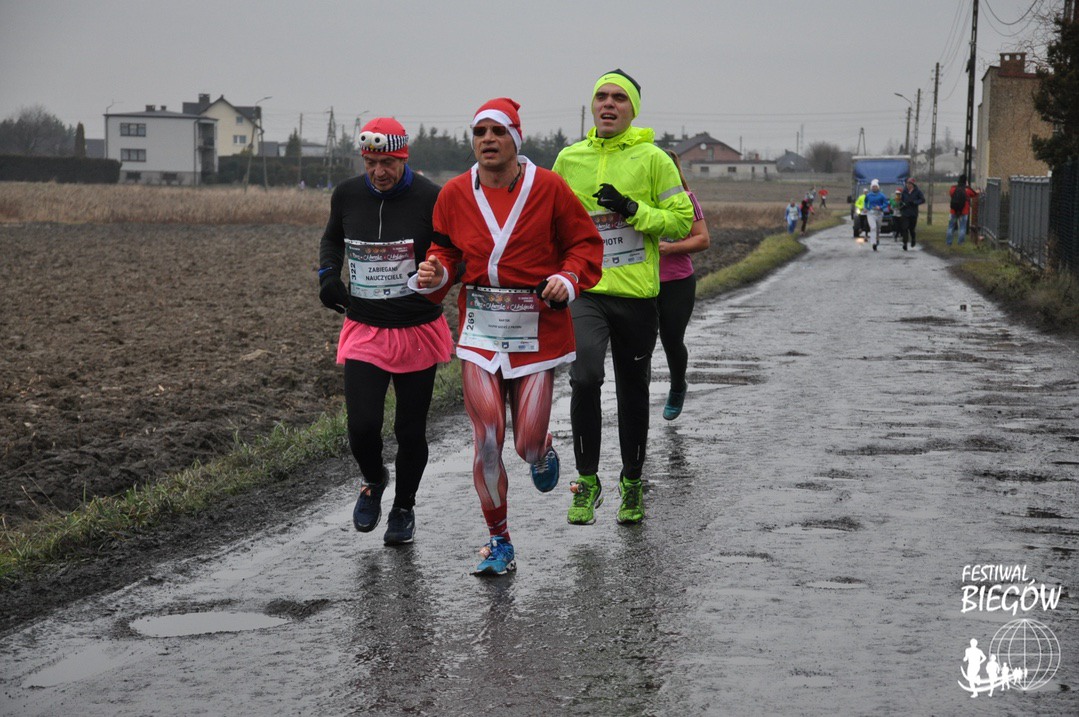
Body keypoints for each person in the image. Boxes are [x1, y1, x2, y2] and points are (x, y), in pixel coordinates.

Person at [413, 98, 603, 575]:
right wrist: (435, 273)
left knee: (526, 444)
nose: (488, 140)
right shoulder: (455, 193)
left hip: (537, 332)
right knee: (487, 439)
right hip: (480, 332)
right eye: (480, 132)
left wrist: (568, 278)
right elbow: (445, 252)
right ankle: (499, 541)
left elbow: (584, 244)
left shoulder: (550, 187)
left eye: (498, 132)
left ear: (516, 139)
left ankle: (542, 449)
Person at [553, 68, 694, 526]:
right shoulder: (569, 158)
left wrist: (633, 209)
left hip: (635, 296)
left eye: (619, 98)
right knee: (585, 376)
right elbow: (546, 219)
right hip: (586, 291)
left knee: (633, 390)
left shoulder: (654, 159)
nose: (609, 104)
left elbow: (680, 222)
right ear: (593, 106)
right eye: (602, 97)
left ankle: (631, 481)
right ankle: (586, 482)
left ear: (633, 109)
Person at [317, 117, 454, 545]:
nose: (379, 172)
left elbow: (453, 252)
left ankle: (404, 507)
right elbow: (332, 239)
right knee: (362, 426)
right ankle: (374, 479)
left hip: (416, 328)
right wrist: (328, 275)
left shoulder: (432, 197)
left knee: (410, 431)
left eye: (388, 163)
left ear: (404, 158)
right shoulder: (347, 194)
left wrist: (440, 272)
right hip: (365, 327)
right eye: (371, 163)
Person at [658, 150, 710, 421]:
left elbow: (702, 239)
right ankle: (636, 401)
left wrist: (671, 248)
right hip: (639, 284)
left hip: (677, 284)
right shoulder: (637, 200)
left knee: (671, 340)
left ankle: (678, 387)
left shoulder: (687, 199)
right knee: (638, 346)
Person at [947, 174, 977, 246]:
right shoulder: (967, 190)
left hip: (953, 211)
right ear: (965, 181)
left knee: (950, 227)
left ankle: (949, 242)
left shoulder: (953, 188)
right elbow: (974, 194)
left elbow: (951, 194)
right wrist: (968, 186)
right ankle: (960, 243)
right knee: (962, 227)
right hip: (964, 211)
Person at [898, 177, 926, 250]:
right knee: (904, 228)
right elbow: (901, 200)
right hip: (905, 212)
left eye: (910, 184)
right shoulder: (904, 191)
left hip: (913, 213)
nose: (908, 185)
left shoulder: (917, 191)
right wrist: (902, 204)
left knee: (911, 229)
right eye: (907, 183)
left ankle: (913, 239)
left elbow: (923, 200)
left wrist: (914, 202)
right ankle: (905, 243)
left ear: (913, 184)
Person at [863, 179, 889, 250]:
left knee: (877, 228)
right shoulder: (868, 195)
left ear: (878, 187)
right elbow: (865, 202)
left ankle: (877, 239)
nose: (874, 188)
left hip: (879, 213)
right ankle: (873, 242)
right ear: (871, 187)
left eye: (875, 186)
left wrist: (880, 207)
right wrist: (866, 208)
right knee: (873, 227)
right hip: (871, 213)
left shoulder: (882, 195)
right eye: (873, 187)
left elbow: (886, 203)